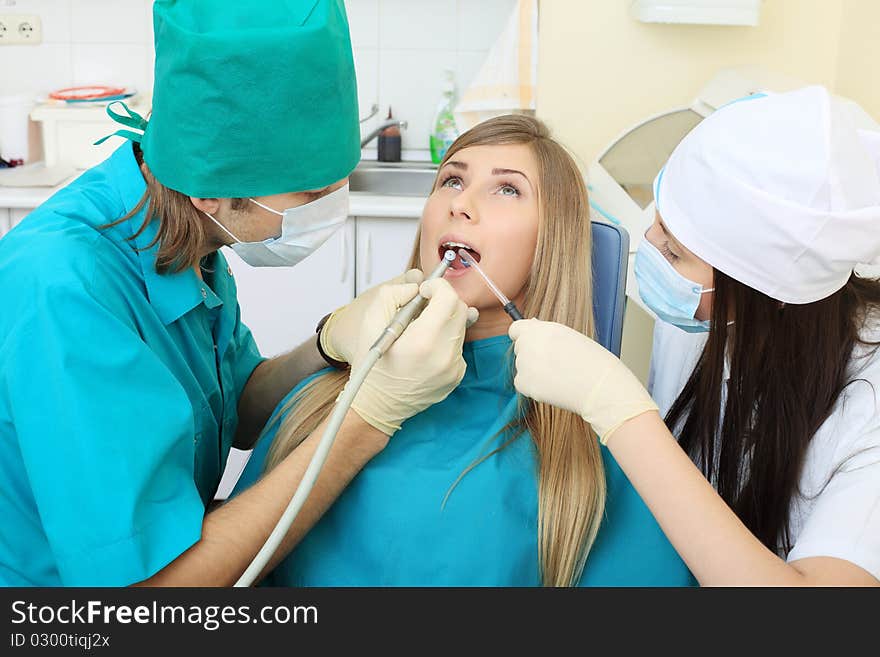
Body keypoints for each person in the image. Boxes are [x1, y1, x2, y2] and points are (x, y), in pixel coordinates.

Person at [0, 0, 471, 586]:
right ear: (213, 196)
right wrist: (368, 421)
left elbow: (238, 410)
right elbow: (149, 598)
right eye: (311, 193)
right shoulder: (65, 288)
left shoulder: (190, 237)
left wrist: (328, 344)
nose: (331, 208)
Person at [233, 115, 695, 587]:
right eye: (452, 180)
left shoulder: (591, 445)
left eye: (508, 189)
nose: (461, 204)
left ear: (553, 238)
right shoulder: (319, 395)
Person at [508, 87, 880, 586]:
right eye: (659, 220)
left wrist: (622, 414)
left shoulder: (867, 404)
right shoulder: (705, 316)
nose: (652, 250)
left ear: (763, 292)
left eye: (676, 251)